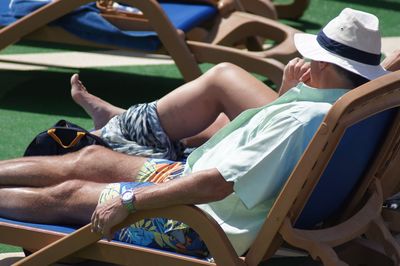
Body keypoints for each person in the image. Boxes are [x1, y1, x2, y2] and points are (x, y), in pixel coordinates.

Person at [0, 8, 392, 257]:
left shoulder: (303, 118)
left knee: (68, 194)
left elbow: (215, 186)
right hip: (195, 186)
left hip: (198, 221)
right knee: (91, 158)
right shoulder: (348, 107)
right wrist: (285, 98)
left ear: (321, 66)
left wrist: (133, 203)